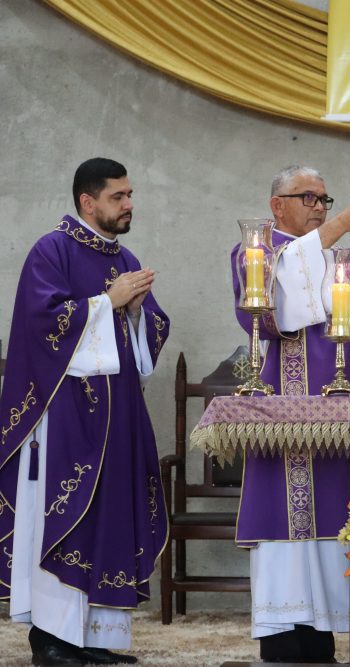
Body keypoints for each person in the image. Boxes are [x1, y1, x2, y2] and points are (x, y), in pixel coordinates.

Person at [0, 158, 169, 665]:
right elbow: (42, 324)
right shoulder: (51, 250)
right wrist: (107, 301)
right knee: (65, 516)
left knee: (108, 520)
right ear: (87, 202)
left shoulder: (126, 256)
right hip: (66, 417)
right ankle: (52, 639)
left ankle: (95, 637)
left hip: (118, 419)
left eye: (130, 194)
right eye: (118, 196)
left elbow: (147, 335)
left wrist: (135, 313)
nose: (129, 204)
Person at [230, 165, 350, 663]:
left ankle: (324, 639)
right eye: (309, 197)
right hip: (284, 404)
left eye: (325, 200)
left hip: (344, 405)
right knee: (284, 518)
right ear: (277, 205)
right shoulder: (256, 249)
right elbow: (270, 314)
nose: (320, 207)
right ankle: (284, 638)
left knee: (341, 513)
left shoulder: (338, 253)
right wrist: (343, 224)